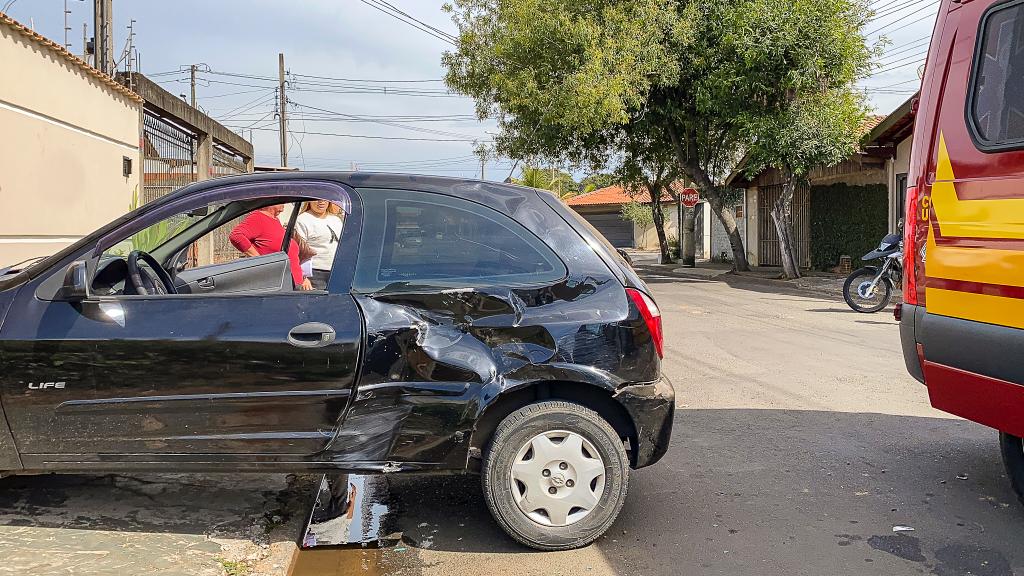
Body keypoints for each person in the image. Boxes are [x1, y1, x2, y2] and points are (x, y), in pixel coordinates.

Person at [228, 204, 312, 290]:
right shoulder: (258, 217)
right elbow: (236, 236)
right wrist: (259, 260)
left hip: (294, 284)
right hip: (278, 285)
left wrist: (302, 277)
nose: (283, 209)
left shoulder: (275, 220)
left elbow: (291, 257)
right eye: (281, 202)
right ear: (272, 201)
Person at [295, 199, 344, 290]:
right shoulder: (303, 220)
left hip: (337, 271)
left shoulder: (336, 220)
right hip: (315, 273)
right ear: (309, 200)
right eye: (317, 199)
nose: (321, 202)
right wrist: (303, 276)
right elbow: (298, 251)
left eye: (325, 199)